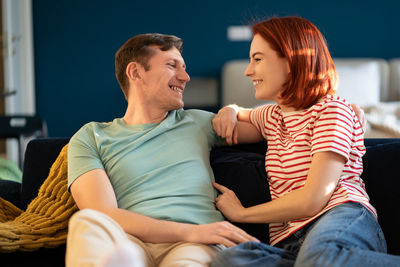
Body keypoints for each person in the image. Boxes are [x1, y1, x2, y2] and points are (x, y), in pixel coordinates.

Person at [211, 17, 400, 266]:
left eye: (257, 59)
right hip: (292, 238)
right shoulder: (271, 116)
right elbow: (228, 125)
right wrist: (230, 109)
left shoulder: (332, 111)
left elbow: (313, 199)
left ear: (291, 60)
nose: (248, 71)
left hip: (339, 216)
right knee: (232, 259)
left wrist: (242, 214)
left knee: (321, 258)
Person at [65, 33, 258, 267]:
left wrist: (234, 109)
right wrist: (189, 232)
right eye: (172, 65)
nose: (185, 77)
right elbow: (103, 212)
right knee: (86, 222)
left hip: (193, 246)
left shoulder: (199, 122)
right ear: (135, 72)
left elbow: (277, 122)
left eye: (184, 67)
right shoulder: (91, 137)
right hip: (132, 240)